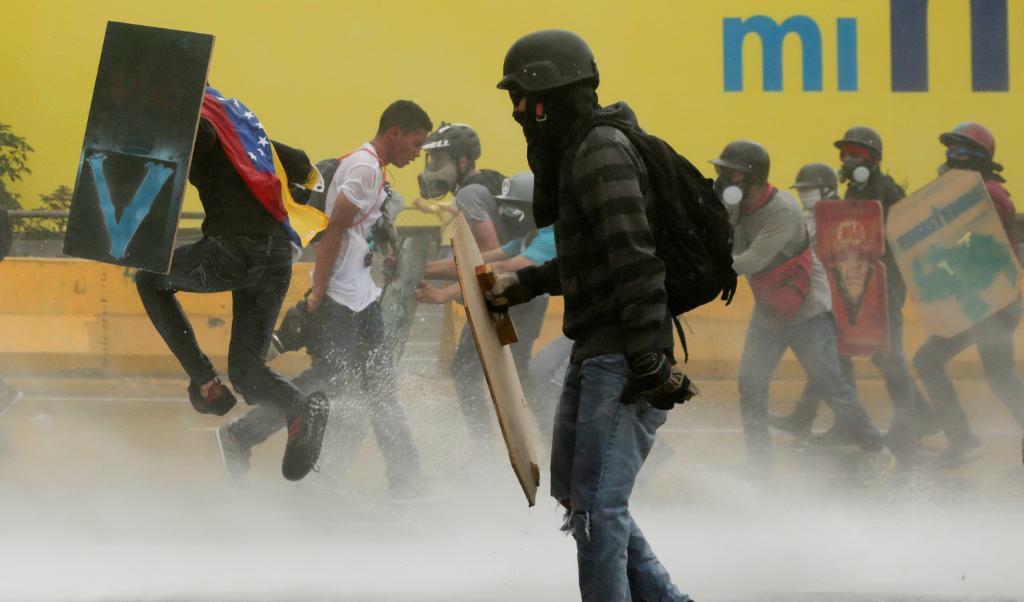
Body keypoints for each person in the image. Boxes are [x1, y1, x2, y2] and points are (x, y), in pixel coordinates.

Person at [490, 29, 695, 602]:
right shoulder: (583, 149)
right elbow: (590, 256)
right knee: (581, 502)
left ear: (548, 95)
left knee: (599, 510)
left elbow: (636, 255)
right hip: (599, 347)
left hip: (622, 351)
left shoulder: (601, 149)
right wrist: (524, 284)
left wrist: (648, 358)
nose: (519, 114)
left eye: (522, 99)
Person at [217, 101, 432, 496]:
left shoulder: (375, 169)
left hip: (362, 298)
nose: (417, 154)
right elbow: (333, 233)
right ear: (394, 134)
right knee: (329, 380)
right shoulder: (364, 169)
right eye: (416, 144)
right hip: (339, 299)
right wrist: (317, 294)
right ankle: (241, 435)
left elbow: (353, 233)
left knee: (380, 389)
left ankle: (408, 483)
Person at [135, 86, 328, 481]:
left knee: (150, 280)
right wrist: (293, 191)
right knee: (245, 370)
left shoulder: (201, 125)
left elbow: (201, 135)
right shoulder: (244, 131)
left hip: (234, 251)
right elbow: (302, 163)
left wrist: (182, 132)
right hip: (277, 254)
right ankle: (301, 408)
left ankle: (204, 379)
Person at [715, 139, 894, 480]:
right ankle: (760, 468)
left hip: (806, 310)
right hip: (771, 307)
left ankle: (876, 449)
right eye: (722, 172)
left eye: (731, 174)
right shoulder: (738, 206)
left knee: (831, 383)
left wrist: (704, 271)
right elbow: (725, 240)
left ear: (752, 177)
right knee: (751, 385)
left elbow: (750, 261)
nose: (725, 179)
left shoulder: (783, 210)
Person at [912, 122, 1024, 467]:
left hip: (991, 300)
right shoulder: (967, 192)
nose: (951, 156)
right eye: (950, 149)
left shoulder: (988, 193)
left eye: (959, 150)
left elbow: (982, 244)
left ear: (976, 157)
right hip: (978, 300)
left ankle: (962, 441)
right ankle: (962, 440)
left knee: (930, 361)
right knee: (999, 375)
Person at [415, 171, 555, 444]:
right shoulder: (530, 235)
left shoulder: (550, 237)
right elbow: (477, 260)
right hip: (518, 303)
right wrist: (421, 269)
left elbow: (502, 269)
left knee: (527, 379)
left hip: (562, 315)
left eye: (516, 207)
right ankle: (491, 445)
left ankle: (551, 440)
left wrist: (444, 295)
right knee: (497, 376)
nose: (508, 213)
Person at [824, 126, 937, 454]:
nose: (847, 160)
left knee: (890, 353)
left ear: (872, 159)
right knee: (878, 353)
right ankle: (925, 418)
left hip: (888, 285)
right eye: (844, 155)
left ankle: (907, 423)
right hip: (863, 285)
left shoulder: (887, 192)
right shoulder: (854, 192)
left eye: (855, 154)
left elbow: (901, 238)